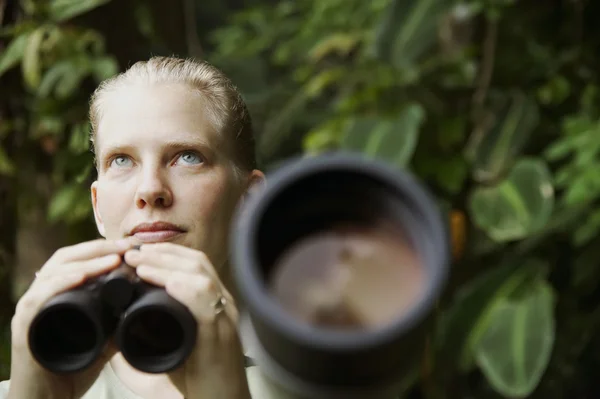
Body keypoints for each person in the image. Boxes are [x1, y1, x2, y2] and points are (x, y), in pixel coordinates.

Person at [0, 56, 296, 399]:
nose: (150, 190)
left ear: (249, 201)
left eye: (187, 156)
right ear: (98, 206)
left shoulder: (318, 387)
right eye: (121, 160)